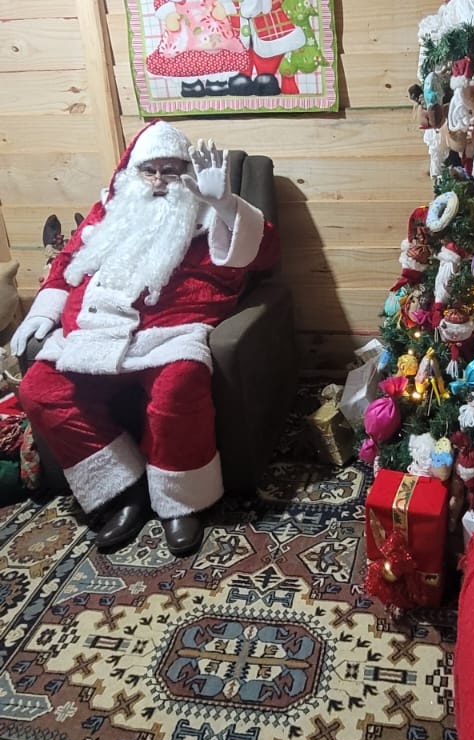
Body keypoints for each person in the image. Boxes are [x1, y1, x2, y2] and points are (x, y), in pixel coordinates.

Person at [13, 123, 279, 557]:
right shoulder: (111, 208)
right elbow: (68, 261)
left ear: (187, 172)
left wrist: (226, 204)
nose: (158, 181)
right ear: (132, 173)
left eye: (170, 171)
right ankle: (124, 489)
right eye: (149, 170)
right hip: (95, 330)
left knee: (180, 384)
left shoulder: (208, 208)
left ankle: (182, 501)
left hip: (169, 333)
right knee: (39, 391)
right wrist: (43, 312)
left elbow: (265, 253)